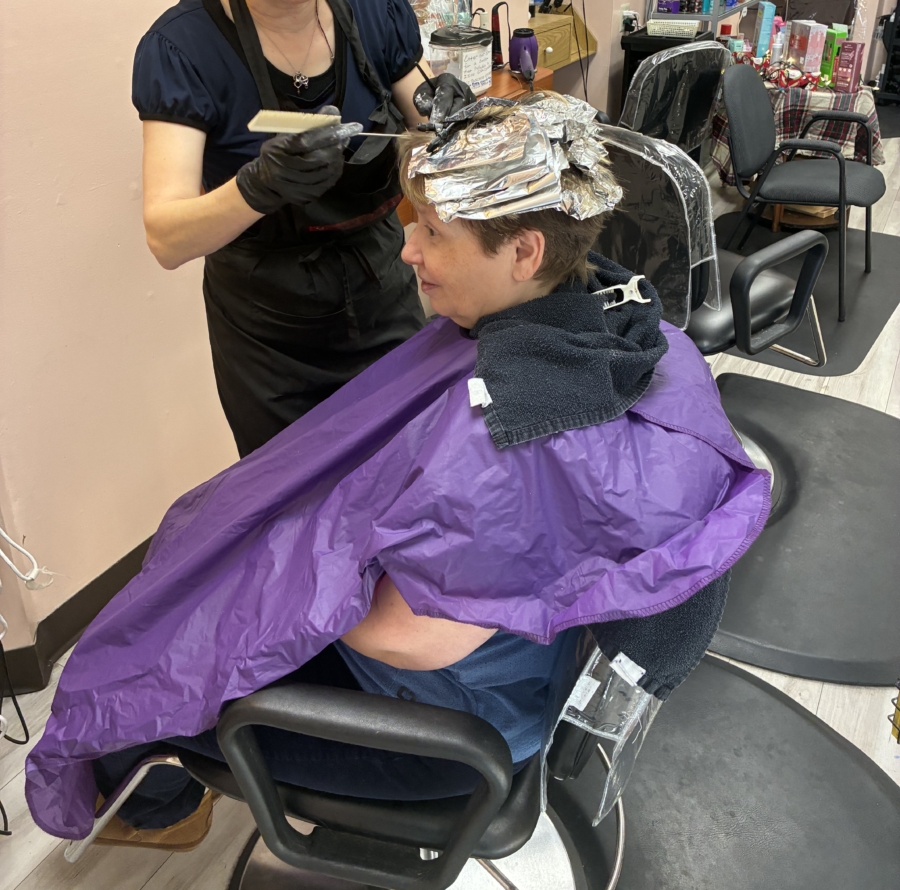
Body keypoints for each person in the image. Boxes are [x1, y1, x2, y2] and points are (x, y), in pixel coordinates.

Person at [27, 94, 771, 847]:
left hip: (446, 731)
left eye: (434, 233)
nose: (408, 249)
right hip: (518, 662)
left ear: (524, 253)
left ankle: (156, 811)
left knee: (153, 687)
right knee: (189, 615)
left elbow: (408, 640)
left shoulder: (515, 435)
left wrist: (288, 581)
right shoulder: (620, 325)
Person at [131, 0, 471, 457]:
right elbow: (166, 237)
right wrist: (256, 188)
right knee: (301, 508)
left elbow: (428, 132)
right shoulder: (185, 50)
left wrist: (449, 121)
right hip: (269, 347)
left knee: (410, 477)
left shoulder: (376, 14)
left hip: (386, 306)